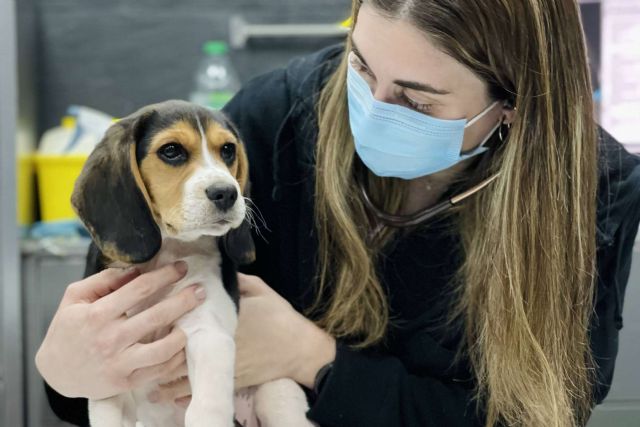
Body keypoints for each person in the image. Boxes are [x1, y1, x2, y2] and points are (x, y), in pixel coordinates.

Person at [36, 1, 640, 426]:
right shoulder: (273, 117)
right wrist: (66, 375)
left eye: (414, 99)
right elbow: (110, 354)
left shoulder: (593, 190)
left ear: (512, 105)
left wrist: (312, 359)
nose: (371, 110)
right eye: (361, 66)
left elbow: (530, 419)